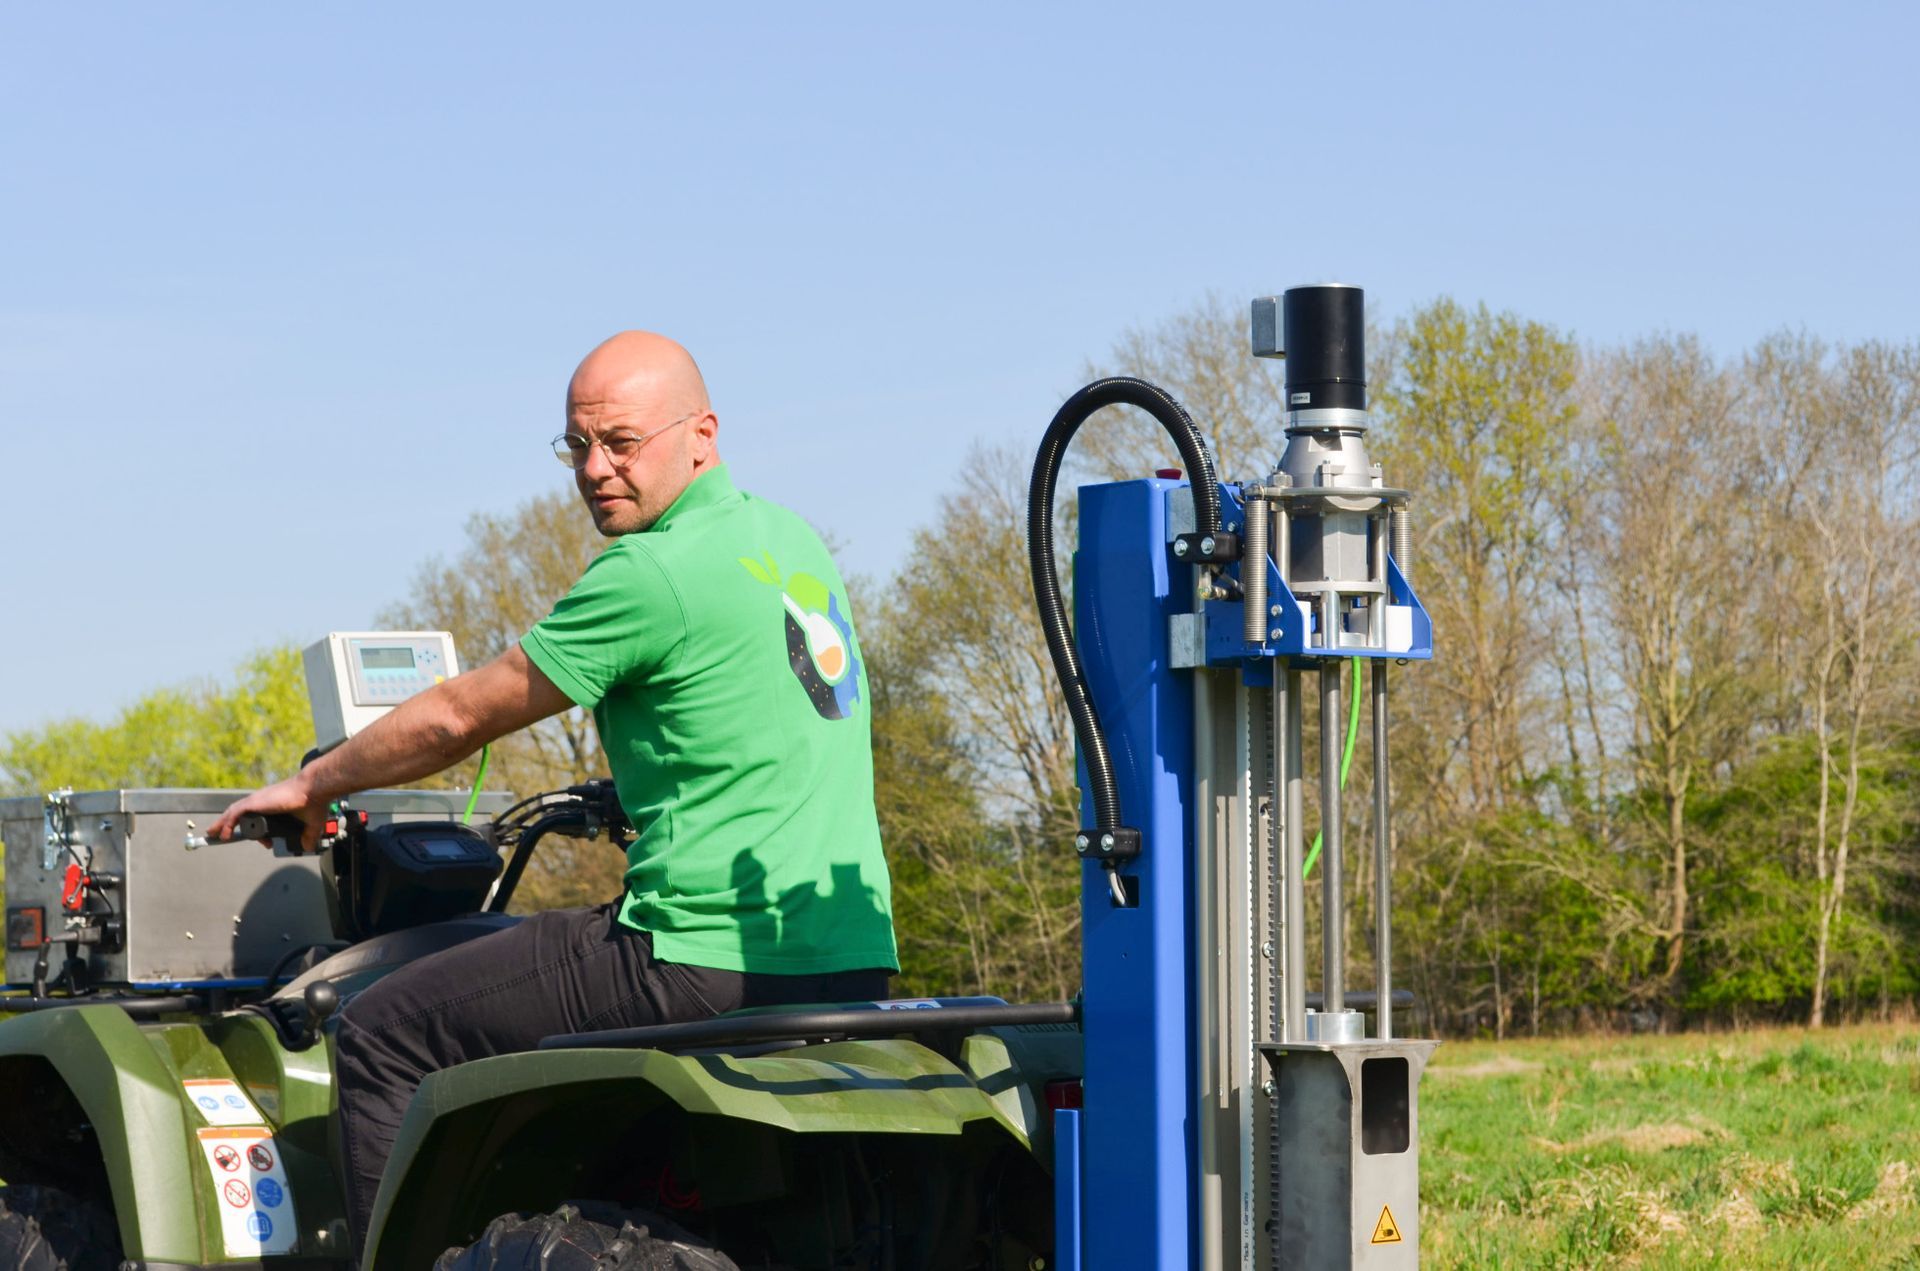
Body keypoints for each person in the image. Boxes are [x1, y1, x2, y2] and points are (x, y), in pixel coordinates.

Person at [208, 331, 898, 1257]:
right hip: (849, 957)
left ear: (702, 433)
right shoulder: (789, 540)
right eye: (578, 446)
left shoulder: (649, 570)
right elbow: (752, 720)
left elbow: (458, 717)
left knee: (379, 1031)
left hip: (691, 950)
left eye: (622, 441)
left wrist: (312, 781)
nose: (596, 469)